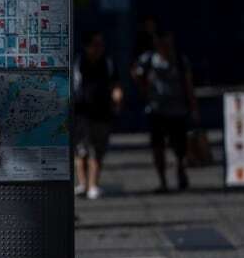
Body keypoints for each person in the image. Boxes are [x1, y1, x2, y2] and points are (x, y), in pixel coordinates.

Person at [133, 31, 199, 192]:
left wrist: (193, 107)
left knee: (180, 147)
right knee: (158, 147)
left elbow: (189, 86)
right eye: (161, 42)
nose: (165, 46)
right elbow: (135, 72)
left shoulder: (180, 61)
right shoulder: (148, 60)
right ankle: (163, 180)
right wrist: (144, 87)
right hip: (156, 110)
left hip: (178, 110)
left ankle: (180, 168)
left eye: (167, 42)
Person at [72, 31, 122, 199]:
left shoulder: (107, 62)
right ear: (87, 46)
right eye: (95, 44)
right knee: (80, 151)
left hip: (102, 112)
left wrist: (117, 97)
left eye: (100, 44)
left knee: (97, 150)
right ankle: (83, 184)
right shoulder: (78, 63)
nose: (99, 48)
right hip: (80, 113)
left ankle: (93, 185)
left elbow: (116, 82)